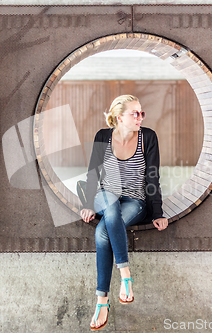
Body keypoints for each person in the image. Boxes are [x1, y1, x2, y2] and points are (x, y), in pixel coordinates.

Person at [79, 94, 168, 331]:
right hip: (107, 196)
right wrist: (88, 202)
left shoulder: (147, 137)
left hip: (135, 201)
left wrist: (157, 212)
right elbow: (92, 173)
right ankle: (125, 276)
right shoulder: (102, 137)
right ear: (119, 117)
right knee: (109, 201)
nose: (140, 117)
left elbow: (152, 177)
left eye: (142, 113)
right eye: (134, 113)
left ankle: (102, 302)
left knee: (102, 234)